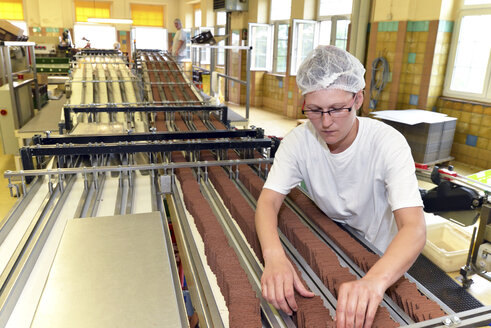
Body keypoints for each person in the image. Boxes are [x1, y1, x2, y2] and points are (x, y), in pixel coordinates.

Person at [255, 45, 426, 328]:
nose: (325, 122)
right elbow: (268, 202)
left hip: (382, 254)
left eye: (337, 109)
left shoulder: (387, 144)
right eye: (314, 110)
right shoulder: (299, 141)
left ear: (358, 98)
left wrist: (374, 281)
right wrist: (274, 257)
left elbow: (414, 228)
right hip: (332, 239)